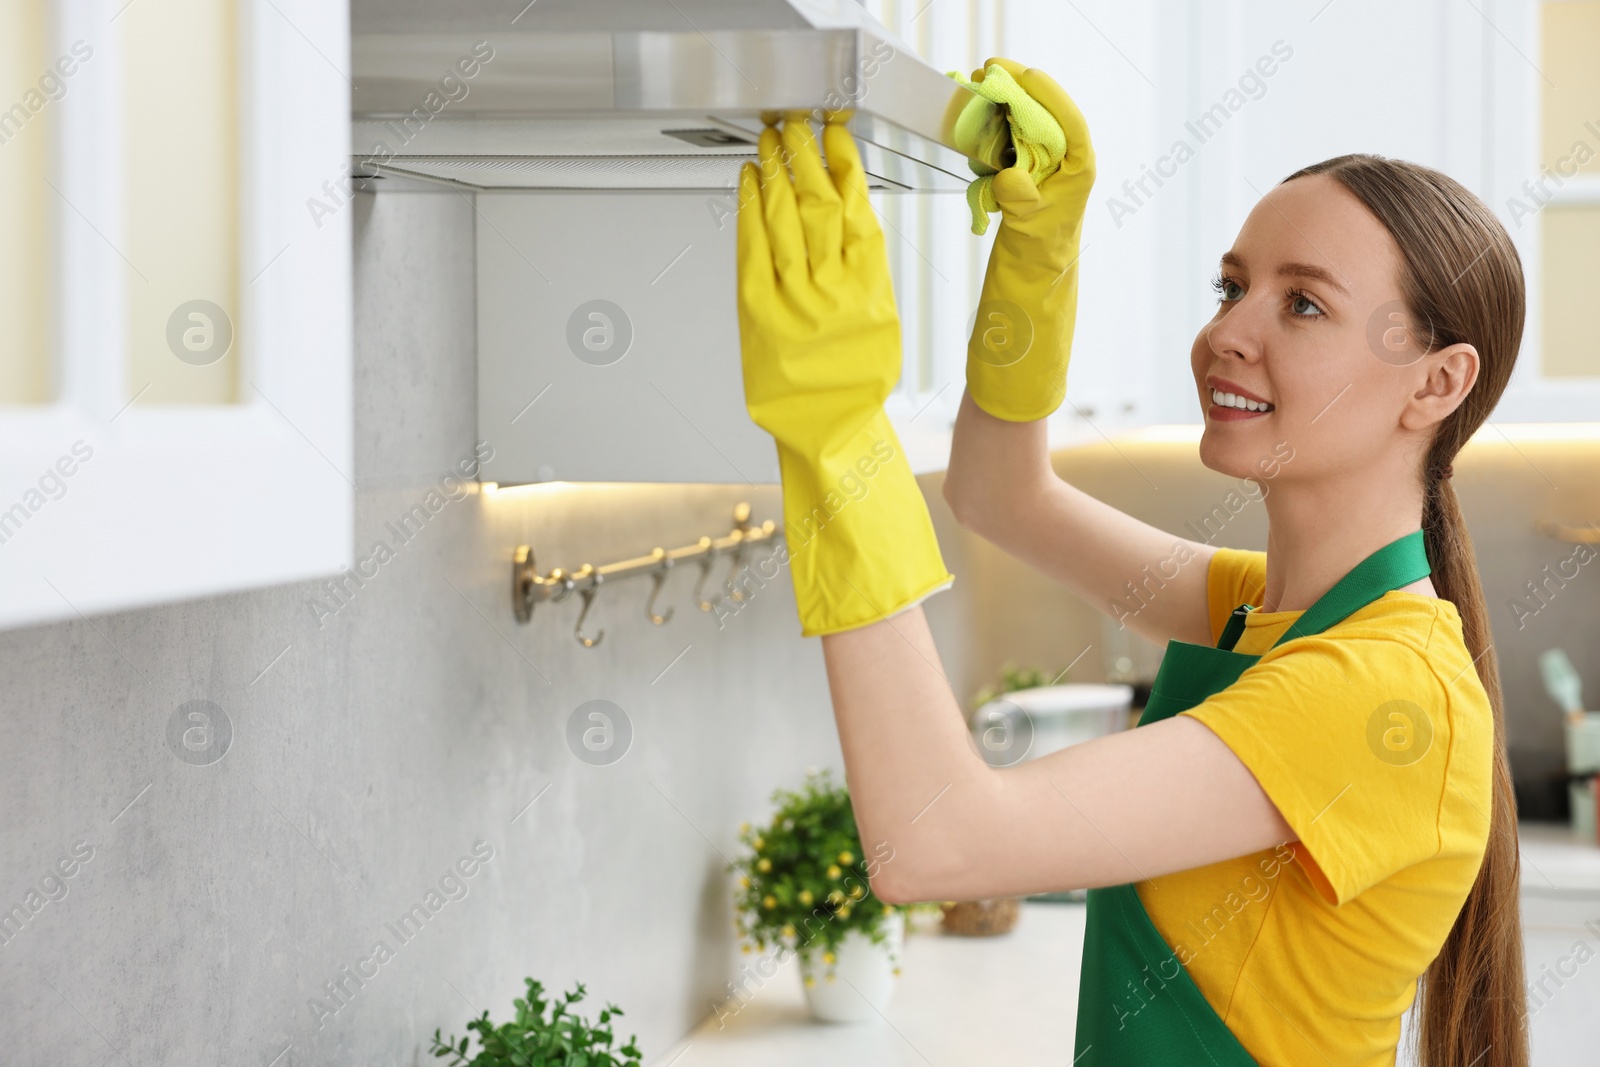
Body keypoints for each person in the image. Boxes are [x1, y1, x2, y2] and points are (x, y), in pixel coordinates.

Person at [734, 56, 1528, 1067]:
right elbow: (999, 495)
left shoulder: (1376, 692)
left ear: (1435, 383)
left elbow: (935, 841)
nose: (1223, 333)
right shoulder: (1273, 615)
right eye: (1231, 286)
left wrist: (836, 432)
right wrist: (1038, 252)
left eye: (1302, 305)